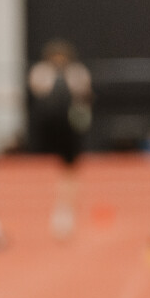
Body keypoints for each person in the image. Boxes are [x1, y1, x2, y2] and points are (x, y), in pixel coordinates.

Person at [26, 39, 93, 238]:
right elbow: (37, 92)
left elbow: (85, 97)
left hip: (69, 127)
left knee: (69, 168)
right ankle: (46, 209)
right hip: (48, 127)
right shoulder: (41, 72)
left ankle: (65, 209)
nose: (59, 60)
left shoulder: (77, 73)